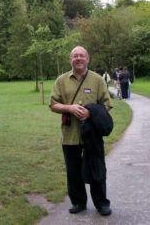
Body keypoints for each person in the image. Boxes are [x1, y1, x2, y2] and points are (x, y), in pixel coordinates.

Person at [49, 46, 113, 216]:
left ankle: (101, 203)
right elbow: (53, 105)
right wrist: (69, 108)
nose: (78, 58)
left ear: (88, 59)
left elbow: (107, 105)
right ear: (70, 60)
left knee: (97, 169)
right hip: (70, 136)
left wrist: (90, 113)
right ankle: (78, 202)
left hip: (92, 135)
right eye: (75, 56)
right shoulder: (61, 80)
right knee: (73, 171)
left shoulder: (98, 80)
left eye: (81, 56)